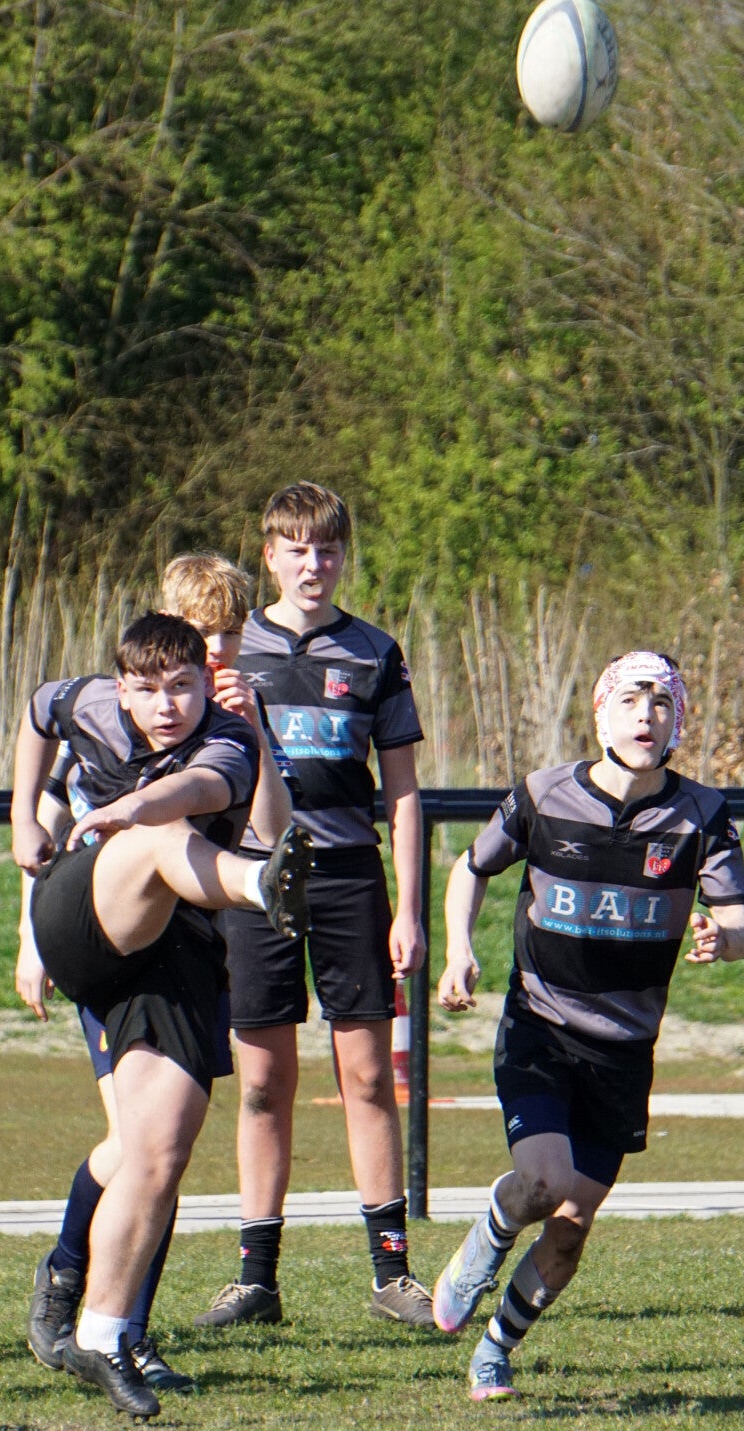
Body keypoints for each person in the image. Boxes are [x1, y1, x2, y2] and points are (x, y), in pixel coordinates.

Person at [431, 651, 744, 1402]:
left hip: (625, 1051)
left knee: (571, 1228)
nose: (647, 716)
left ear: (678, 723)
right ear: (601, 715)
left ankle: (495, 1349)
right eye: (631, 701)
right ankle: (487, 1236)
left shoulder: (702, 814)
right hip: (541, 1025)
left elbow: (743, 923)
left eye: (662, 704)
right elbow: (471, 869)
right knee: (542, 1183)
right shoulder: (544, 794)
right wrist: (458, 950)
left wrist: (725, 938)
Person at [11, 612, 313, 1418]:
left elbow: (205, 789)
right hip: (83, 914)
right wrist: (21, 817)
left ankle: (103, 1331)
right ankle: (260, 885)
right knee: (159, 834)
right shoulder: (89, 702)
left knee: (154, 1148)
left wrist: (141, 801)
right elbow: (38, 712)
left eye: (182, 686)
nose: (168, 704)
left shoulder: (230, 734)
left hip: (173, 950)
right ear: (122, 690)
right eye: (149, 689)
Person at [197, 481, 434, 1330]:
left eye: (327, 549)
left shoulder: (375, 651)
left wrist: (410, 909)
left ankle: (393, 1273)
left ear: (343, 556)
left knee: (368, 1076)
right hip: (254, 878)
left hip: (348, 879)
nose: (313, 564)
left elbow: (403, 793)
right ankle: (255, 1279)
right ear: (269, 555)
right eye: (296, 549)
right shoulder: (228, 648)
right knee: (263, 1080)